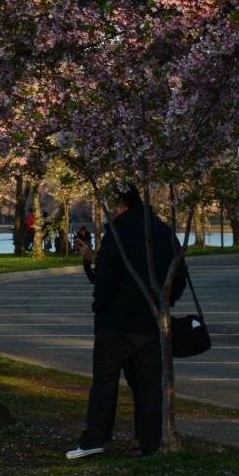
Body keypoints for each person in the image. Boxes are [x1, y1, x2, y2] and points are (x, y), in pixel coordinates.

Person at [67, 185, 188, 460]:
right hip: (152, 320)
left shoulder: (117, 234)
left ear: (120, 205)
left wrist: (100, 305)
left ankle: (96, 439)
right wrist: (164, 304)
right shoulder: (163, 231)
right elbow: (178, 275)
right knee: (148, 385)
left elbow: (107, 277)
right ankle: (147, 441)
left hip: (117, 322)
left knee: (105, 382)